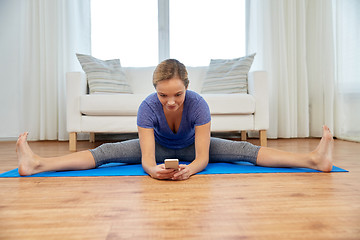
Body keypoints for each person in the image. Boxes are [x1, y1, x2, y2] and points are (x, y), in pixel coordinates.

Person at [16, 59, 334, 180]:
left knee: (245, 151)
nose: (170, 102)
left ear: (186, 89)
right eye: (163, 95)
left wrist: (190, 171)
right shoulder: (146, 107)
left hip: (193, 149)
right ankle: (37, 164)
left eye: (177, 94)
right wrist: (153, 171)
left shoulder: (198, 105)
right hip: (160, 146)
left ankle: (313, 159)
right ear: (155, 90)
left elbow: (204, 156)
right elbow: (146, 156)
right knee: (106, 154)